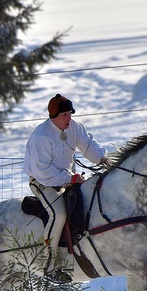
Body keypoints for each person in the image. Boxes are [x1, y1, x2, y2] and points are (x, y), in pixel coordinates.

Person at [23, 94, 109, 279]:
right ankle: (49, 263)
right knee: (59, 214)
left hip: (66, 179)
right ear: (53, 116)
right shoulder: (41, 136)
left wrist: (103, 158)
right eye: (65, 115)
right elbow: (43, 173)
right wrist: (71, 180)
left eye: (70, 114)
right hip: (41, 182)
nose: (69, 118)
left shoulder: (74, 127)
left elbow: (88, 144)